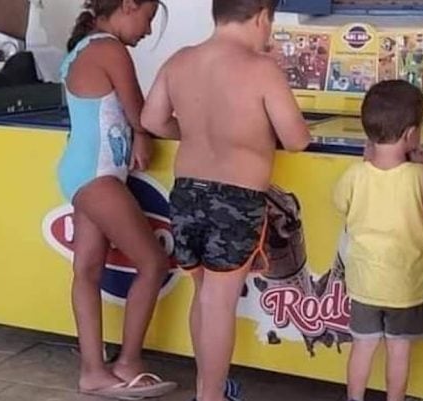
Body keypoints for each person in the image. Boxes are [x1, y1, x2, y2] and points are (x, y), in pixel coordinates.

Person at [141, 0, 311, 400]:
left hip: (186, 192)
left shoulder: (180, 60)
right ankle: (211, 396)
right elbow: (296, 139)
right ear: (262, 17)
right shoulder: (262, 70)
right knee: (219, 302)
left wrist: (197, 132)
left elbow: (151, 120)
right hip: (236, 197)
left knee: (203, 293)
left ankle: (208, 388)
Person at [58, 0, 176, 398]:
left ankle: (93, 371)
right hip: (97, 175)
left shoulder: (87, 45)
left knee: (87, 270)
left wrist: (140, 133)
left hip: (83, 170)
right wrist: (195, 128)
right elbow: (142, 115)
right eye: (148, 18)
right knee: (153, 262)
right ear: (128, 5)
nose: (148, 30)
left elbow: (130, 118)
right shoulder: (109, 48)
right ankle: (127, 362)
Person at [333, 80, 423, 401]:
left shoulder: (355, 174)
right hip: (406, 285)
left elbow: (339, 203)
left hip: (364, 282)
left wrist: (366, 166)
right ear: (411, 134)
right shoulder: (420, 176)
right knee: (399, 351)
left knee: (362, 347)